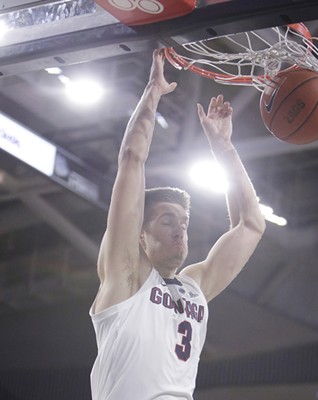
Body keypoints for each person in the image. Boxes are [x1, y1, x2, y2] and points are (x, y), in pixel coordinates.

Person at [89, 49, 266, 400]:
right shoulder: (126, 277)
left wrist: (224, 149)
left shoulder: (194, 288)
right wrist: (153, 92)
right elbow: (131, 159)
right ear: (139, 235)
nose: (179, 229)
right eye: (166, 220)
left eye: (183, 222)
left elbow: (250, 225)